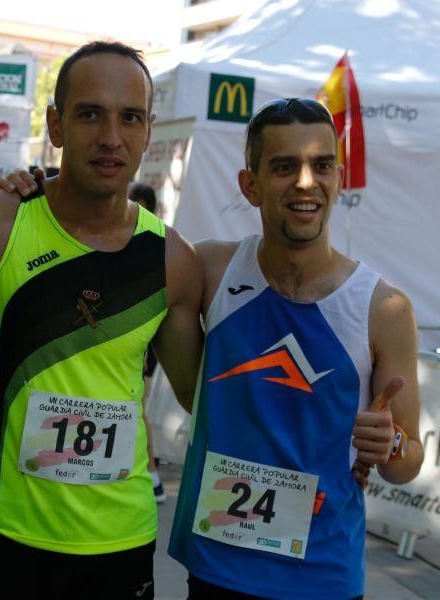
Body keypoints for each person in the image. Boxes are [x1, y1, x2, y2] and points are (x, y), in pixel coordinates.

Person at [0, 41, 203, 599]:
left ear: (149, 130)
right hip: (0, 537)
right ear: (56, 124)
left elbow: (207, 399)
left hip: (119, 544)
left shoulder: (173, 260)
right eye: (90, 113)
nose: (111, 137)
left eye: (130, 118)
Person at [167, 97, 423, 599]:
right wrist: (31, 192)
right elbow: (113, 234)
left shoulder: (384, 307)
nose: (306, 183)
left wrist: (388, 444)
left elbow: (407, 461)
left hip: (322, 576)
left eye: (322, 165)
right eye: (285, 167)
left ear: (338, 177)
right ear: (250, 184)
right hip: (217, 565)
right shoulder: (209, 270)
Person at [127, 182, 167, 502]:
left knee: (136, 411)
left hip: (144, 350)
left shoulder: (157, 244)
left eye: (133, 202)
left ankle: (152, 473)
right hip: (137, 349)